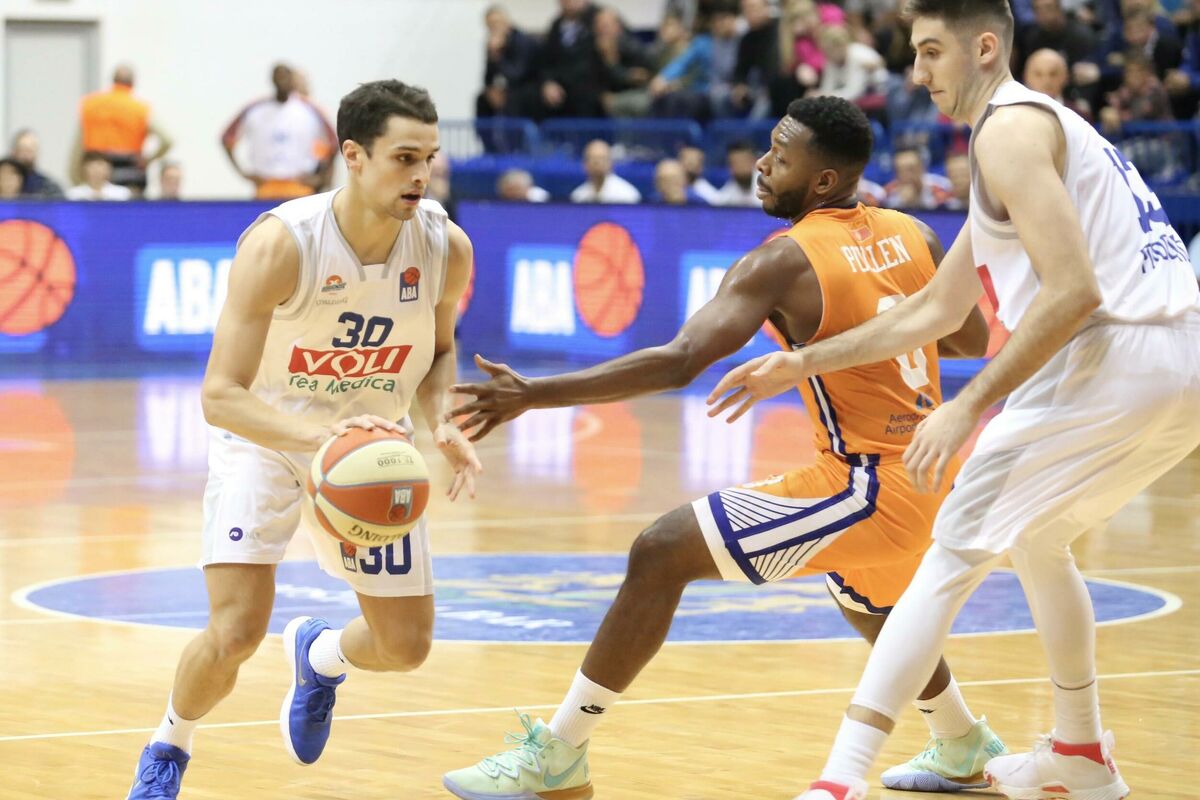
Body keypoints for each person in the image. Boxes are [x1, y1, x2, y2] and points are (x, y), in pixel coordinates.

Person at [440, 96, 1001, 800]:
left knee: (661, 552)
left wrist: (534, 394)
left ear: (823, 181)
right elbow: (970, 339)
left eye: (780, 157)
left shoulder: (784, 261)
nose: (762, 164)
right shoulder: (912, 232)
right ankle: (960, 739)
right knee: (865, 594)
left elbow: (680, 360)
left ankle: (558, 753)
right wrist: (875, 326)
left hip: (868, 483)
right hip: (927, 471)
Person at [707, 2, 1200, 797]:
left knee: (949, 555)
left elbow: (1073, 291)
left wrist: (969, 406)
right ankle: (1080, 753)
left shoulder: (1007, 131)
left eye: (932, 51)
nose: (918, 72)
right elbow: (935, 310)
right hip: (1181, 366)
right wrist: (801, 363)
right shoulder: (1032, 130)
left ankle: (840, 780)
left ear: (984, 48)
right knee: (1039, 539)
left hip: (1116, 356)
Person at [124, 79, 482, 799]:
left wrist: (439, 419)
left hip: (370, 452)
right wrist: (319, 437)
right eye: (403, 157)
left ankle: (320, 657)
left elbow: (440, 351)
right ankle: (169, 744)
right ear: (353, 155)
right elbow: (220, 395)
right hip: (265, 436)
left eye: (428, 158)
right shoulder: (282, 245)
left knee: (405, 647)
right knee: (234, 632)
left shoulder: (446, 247)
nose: (420, 175)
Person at [220, 63, 339, 199]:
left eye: (285, 77)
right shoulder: (255, 109)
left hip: (299, 187)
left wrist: (320, 178)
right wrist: (243, 173)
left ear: (292, 80)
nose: (282, 82)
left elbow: (333, 143)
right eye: (279, 77)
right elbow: (227, 139)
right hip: (266, 187)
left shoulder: (309, 110)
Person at [74, 64, 173, 196]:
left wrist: (75, 175)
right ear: (133, 83)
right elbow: (167, 140)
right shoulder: (140, 109)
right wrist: (148, 160)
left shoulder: (91, 105)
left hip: (95, 172)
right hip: (129, 173)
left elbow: (77, 145)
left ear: (112, 80)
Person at [569, 139, 641, 203]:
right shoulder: (578, 197)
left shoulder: (627, 195)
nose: (598, 164)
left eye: (602, 159)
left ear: (611, 163)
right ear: (585, 164)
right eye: (593, 160)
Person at [9, 129, 64, 198]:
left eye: (30, 150)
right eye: (22, 150)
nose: (26, 155)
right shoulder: (3, 185)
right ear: (13, 152)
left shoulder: (49, 187)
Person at [66, 152, 133, 200]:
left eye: (100, 165)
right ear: (84, 169)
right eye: (92, 167)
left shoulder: (122, 193)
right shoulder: (73, 194)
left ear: (108, 169)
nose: (96, 171)